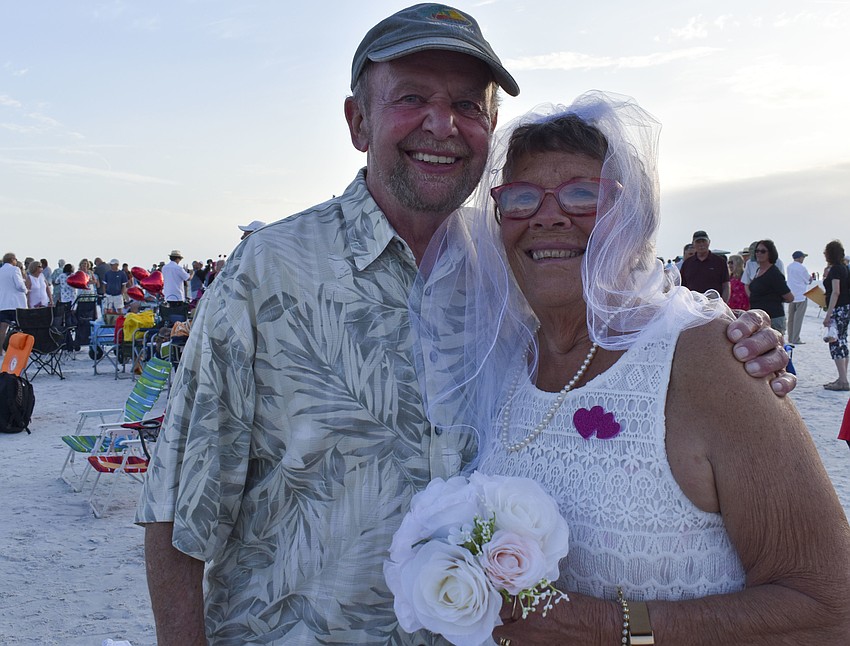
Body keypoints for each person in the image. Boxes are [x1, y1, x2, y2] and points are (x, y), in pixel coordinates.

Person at [137, 7, 795, 645]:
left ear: (493, 125)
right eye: (411, 98)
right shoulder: (270, 272)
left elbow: (627, 310)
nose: (441, 125)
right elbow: (177, 510)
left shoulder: (514, 258)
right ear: (357, 121)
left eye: (468, 106)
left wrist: (738, 333)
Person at [410, 92, 850, 645]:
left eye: (582, 194)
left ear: (636, 220)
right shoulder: (506, 361)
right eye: (521, 197)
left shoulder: (710, 358)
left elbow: (831, 609)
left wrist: (610, 627)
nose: (548, 216)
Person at [747, 239, 793, 337]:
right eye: (757, 251)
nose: (759, 253)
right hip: (758, 318)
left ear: (770, 253)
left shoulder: (774, 274)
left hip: (773, 319)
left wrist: (772, 299)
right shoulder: (759, 270)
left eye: (763, 251)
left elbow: (789, 297)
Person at [822, 239, 850, 391]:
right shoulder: (845, 268)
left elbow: (836, 291)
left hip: (838, 308)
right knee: (843, 340)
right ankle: (843, 377)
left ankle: (843, 380)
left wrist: (829, 313)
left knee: (835, 342)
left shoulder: (835, 270)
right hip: (846, 308)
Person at [679, 230, 730, 301]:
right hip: (693, 305)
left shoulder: (719, 262)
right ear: (693, 244)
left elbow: (726, 285)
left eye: (703, 241)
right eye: (698, 242)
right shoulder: (687, 263)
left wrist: (724, 304)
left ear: (709, 242)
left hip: (714, 304)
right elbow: (682, 287)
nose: (701, 245)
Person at [0, 252, 28, 349]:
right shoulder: (15, 269)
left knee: (3, 328)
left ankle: (0, 350)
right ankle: (20, 348)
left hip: (3, 304)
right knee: (21, 327)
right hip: (16, 303)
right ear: (12, 260)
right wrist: (26, 290)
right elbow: (19, 285)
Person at [786, 250, 813, 344]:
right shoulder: (802, 268)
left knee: (791, 318)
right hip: (801, 294)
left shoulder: (789, 267)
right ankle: (796, 338)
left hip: (791, 295)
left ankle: (790, 337)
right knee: (798, 318)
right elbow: (807, 280)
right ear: (800, 257)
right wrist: (810, 279)